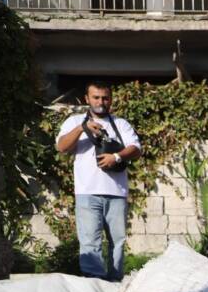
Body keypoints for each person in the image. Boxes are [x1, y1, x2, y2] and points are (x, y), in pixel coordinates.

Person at [55, 80, 142, 280]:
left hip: (117, 192)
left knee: (118, 241)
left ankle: (115, 281)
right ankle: (93, 286)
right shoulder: (74, 121)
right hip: (87, 192)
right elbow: (61, 147)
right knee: (89, 242)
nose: (101, 102)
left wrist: (116, 157)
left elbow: (136, 149)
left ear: (110, 99)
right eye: (96, 97)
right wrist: (82, 129)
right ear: (87, 99)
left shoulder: (120, 124)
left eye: (105, 98)